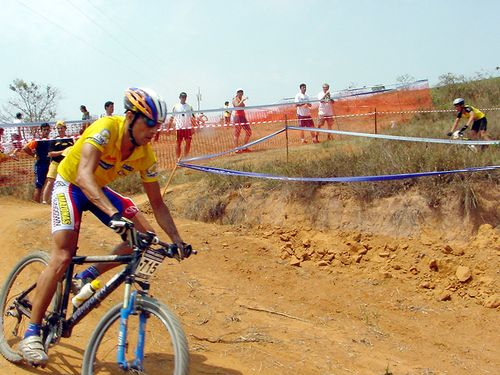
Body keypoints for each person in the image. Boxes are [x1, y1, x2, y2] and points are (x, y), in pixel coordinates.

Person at [18, 87, 191, 366]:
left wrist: (177, 240)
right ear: (131, 117)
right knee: (62, 256)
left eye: (158, 125)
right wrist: (113, 215)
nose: (154, 131)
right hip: (72, 184)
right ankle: (32, 332)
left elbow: (157, 203)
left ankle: (86, 275)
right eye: (149, 123)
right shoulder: (105, 128)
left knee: (146, 238)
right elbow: (84, 176)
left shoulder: (145, 154)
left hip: (97, 188)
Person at [13, 123, 52, 203]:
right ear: (41, 131)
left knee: (48, 184)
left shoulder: (50, 140)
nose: (46, 131)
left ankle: (45, 203)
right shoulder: (37, 140)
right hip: (40, 165)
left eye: (47, 130)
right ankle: (35, 205)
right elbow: (25, 148)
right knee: (39, 186)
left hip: (49, 165)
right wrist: (34, 155)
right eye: (44, 130)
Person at [41, 121, 74, 204]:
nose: (60, 130)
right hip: (55, 163)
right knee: (50, 181)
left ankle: (70, 201)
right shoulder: (54, 140)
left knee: (70, 183)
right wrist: (63, 151)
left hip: (66, 164)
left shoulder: (70, 139)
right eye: (58, 128)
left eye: (61, 128)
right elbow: (50, 154)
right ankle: (44, 201)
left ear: (65, 128)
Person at [168, 92, 196, 159]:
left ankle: (186, 157)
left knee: (188, 142)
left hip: (187, 127)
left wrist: (194, 127)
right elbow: (171, 117)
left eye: (185, 97)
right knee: (178, 143)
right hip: (179, 128)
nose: (183, 98)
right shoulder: (176, 107)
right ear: (180, 97)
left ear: (186, 98)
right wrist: (168, 127)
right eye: (182, 97)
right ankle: (178, 159)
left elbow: (193, 118)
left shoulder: (189, 107)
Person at [232, 88, 252, 152]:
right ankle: (236, 149)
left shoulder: (241, 99)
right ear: (237, 93)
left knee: (249, 132)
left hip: (243, 117)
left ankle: (244, 147)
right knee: (237, 133)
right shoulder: (235, 99)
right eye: (239, 92)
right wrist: (242, 100)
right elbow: (237, 106)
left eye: (241, 92)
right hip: (237, 117)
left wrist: (243, 100)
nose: (240, 93)